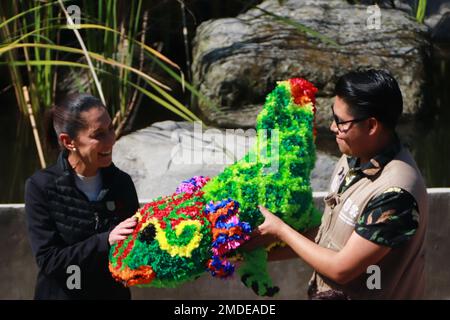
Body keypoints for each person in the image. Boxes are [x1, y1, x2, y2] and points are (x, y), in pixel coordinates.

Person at [256, 69, 428, 299]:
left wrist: (281, 230)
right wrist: (259, 251)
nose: (333, 128)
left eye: (340, 121)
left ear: (371, 126)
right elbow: (331, 234)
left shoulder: (396, 194)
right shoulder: (353, 158)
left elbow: (342, 269)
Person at [25, 94, 139, 300]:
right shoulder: (41, 187)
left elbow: (134, 250)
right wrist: (106, 241)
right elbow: (49, 260)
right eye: (99, 134)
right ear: (68, 142)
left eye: (111, 129)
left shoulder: (122, 183)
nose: (111, 140)